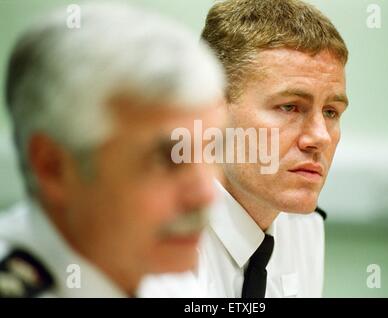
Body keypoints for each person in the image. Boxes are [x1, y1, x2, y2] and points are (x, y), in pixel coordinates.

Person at [0, 2, 224, 297]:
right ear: (52, 167)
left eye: (212, 151)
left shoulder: (162, 276)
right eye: (167, 159)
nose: (206, 194)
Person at [198, 0, 349, 297]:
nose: (320, 137)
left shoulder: (305, 230)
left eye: (331, 112)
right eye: (290, 107)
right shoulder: (151, 242)